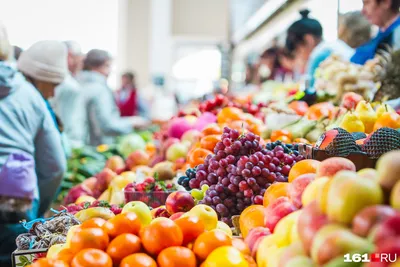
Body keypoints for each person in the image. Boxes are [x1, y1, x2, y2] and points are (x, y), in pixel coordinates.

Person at [0, 39, 66, 265]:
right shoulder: (30, 95)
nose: (53, 93)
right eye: (53, 85)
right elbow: (55, 165)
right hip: (12, 196)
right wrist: (39, 210)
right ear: (42, 78)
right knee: (12, 255)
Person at [78, 49, 148, 146]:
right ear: (101, 66)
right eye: (108, 66)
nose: (109, 71)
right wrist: (132, 122)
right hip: (97, 148)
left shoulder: (78, 84)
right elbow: (107, 125)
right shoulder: (100, 90)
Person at [286, 10, 354, 88]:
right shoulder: (336, 45)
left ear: (308, 40)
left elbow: (309, 89)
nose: (299, 57)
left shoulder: (318, 56)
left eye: (298, 51)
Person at [52, 41, 85, 147]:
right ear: (70, 56)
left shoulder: (66, 81)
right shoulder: (68, 84)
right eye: (80, 57)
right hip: (70, 144)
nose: (82, 62)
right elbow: (64, 121)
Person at [351, 0, 400, 64]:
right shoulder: (383, 31)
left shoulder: (396, 36)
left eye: (367, 3)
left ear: (386, 2)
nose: (363, 11)